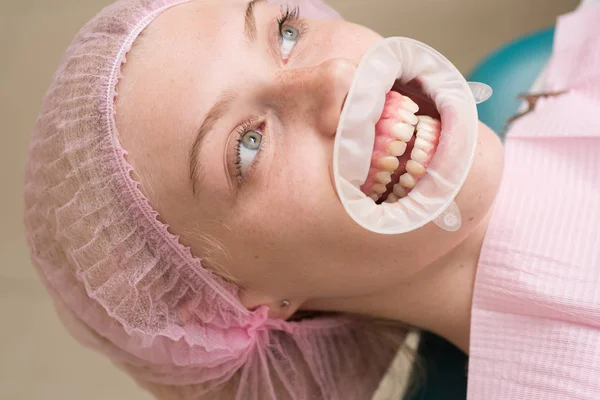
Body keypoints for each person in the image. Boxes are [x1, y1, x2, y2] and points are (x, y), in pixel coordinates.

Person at [22, 0, 504, 399]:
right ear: (231, 304)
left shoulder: (551, 67)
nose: (335, 77)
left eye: (286, 33)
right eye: (247, 147)